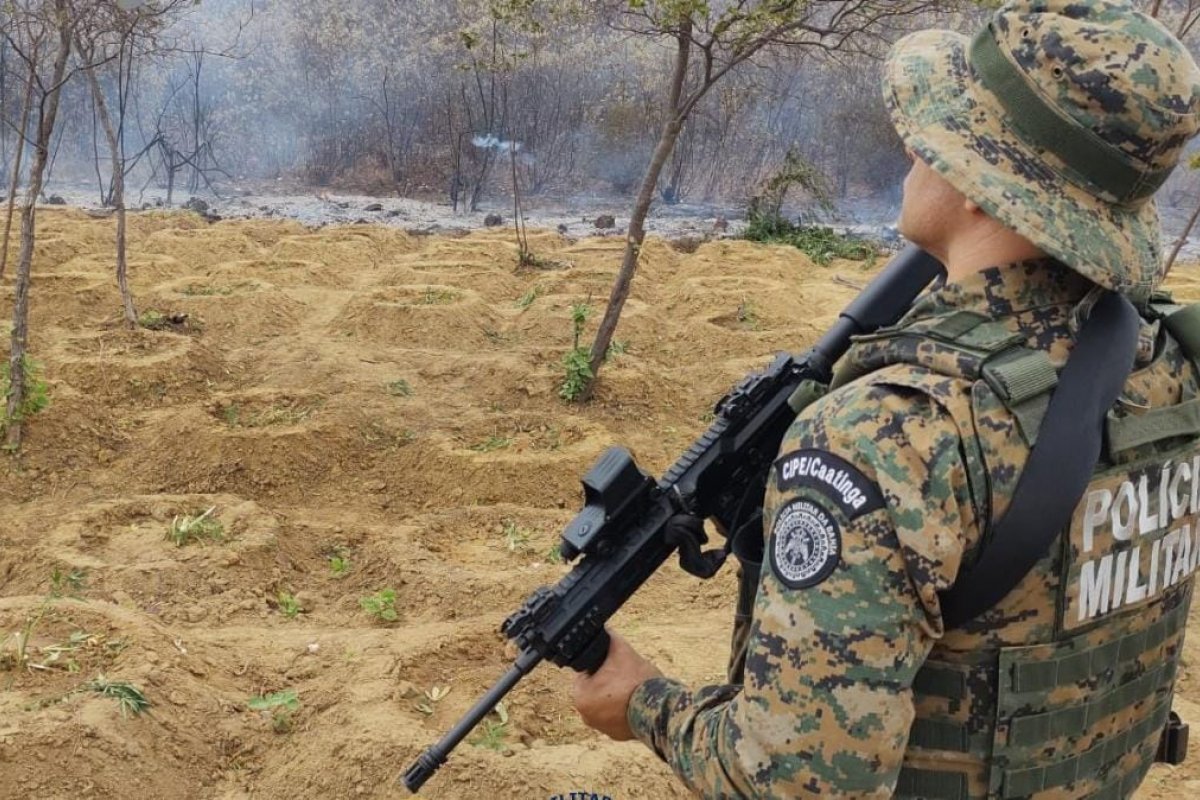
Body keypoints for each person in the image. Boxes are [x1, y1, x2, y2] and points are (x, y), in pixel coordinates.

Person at [570, 1, 1200, 797]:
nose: (912, 149)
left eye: (933, 138)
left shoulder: (885, 435)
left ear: (982, 181)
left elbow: (797, 780)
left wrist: (643, 703)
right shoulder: (1164, 361)